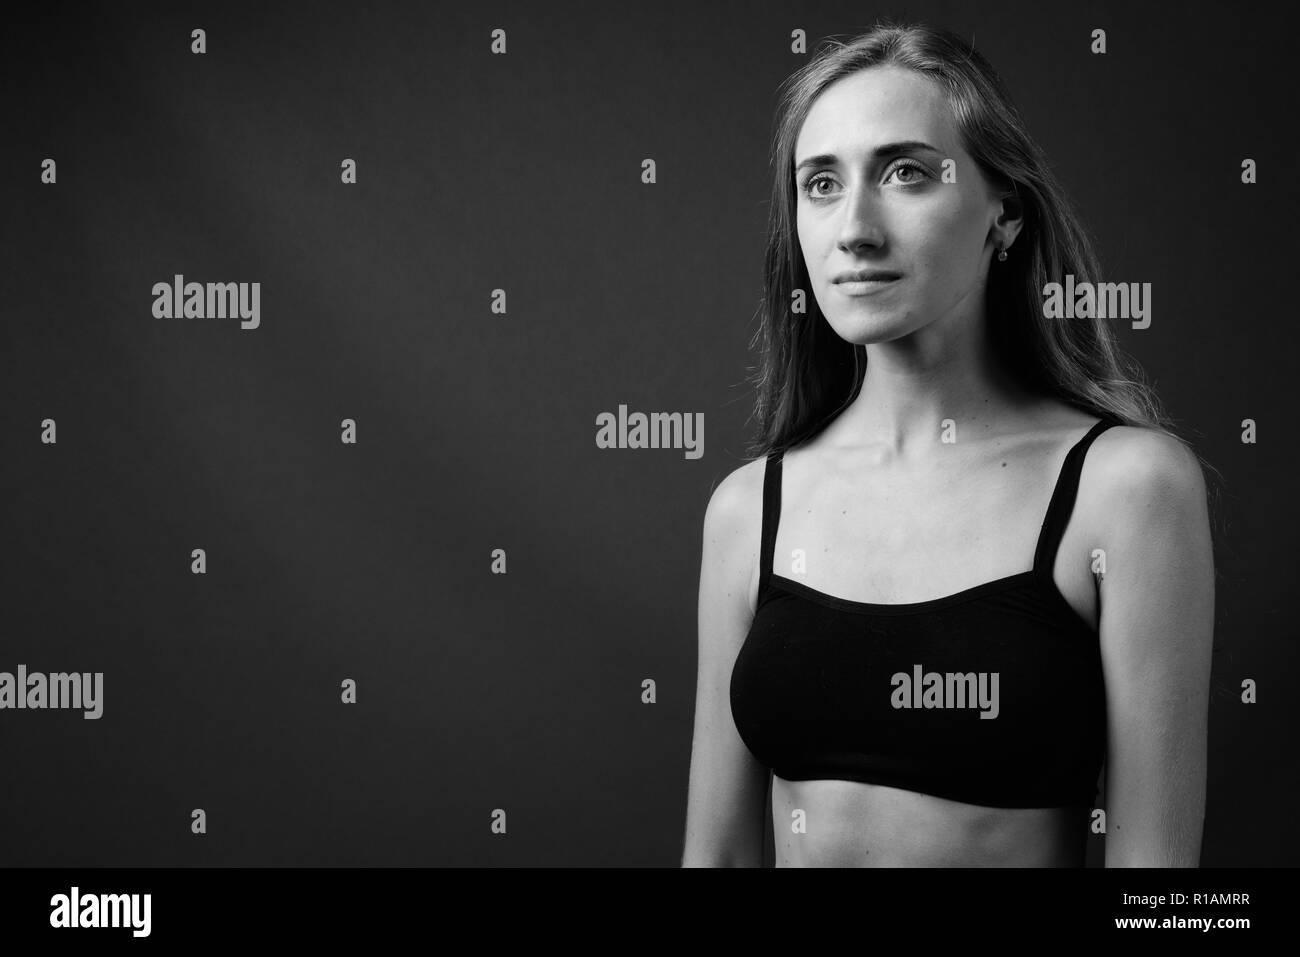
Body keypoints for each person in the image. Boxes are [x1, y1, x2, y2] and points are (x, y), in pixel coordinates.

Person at [682, 21, 1216, 867]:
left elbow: (1160, 891)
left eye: (905, 174)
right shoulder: (750, 509)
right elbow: (715, 858)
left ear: (1005, 212)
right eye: (820, 183)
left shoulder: (1127, 488)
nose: (855, 228)